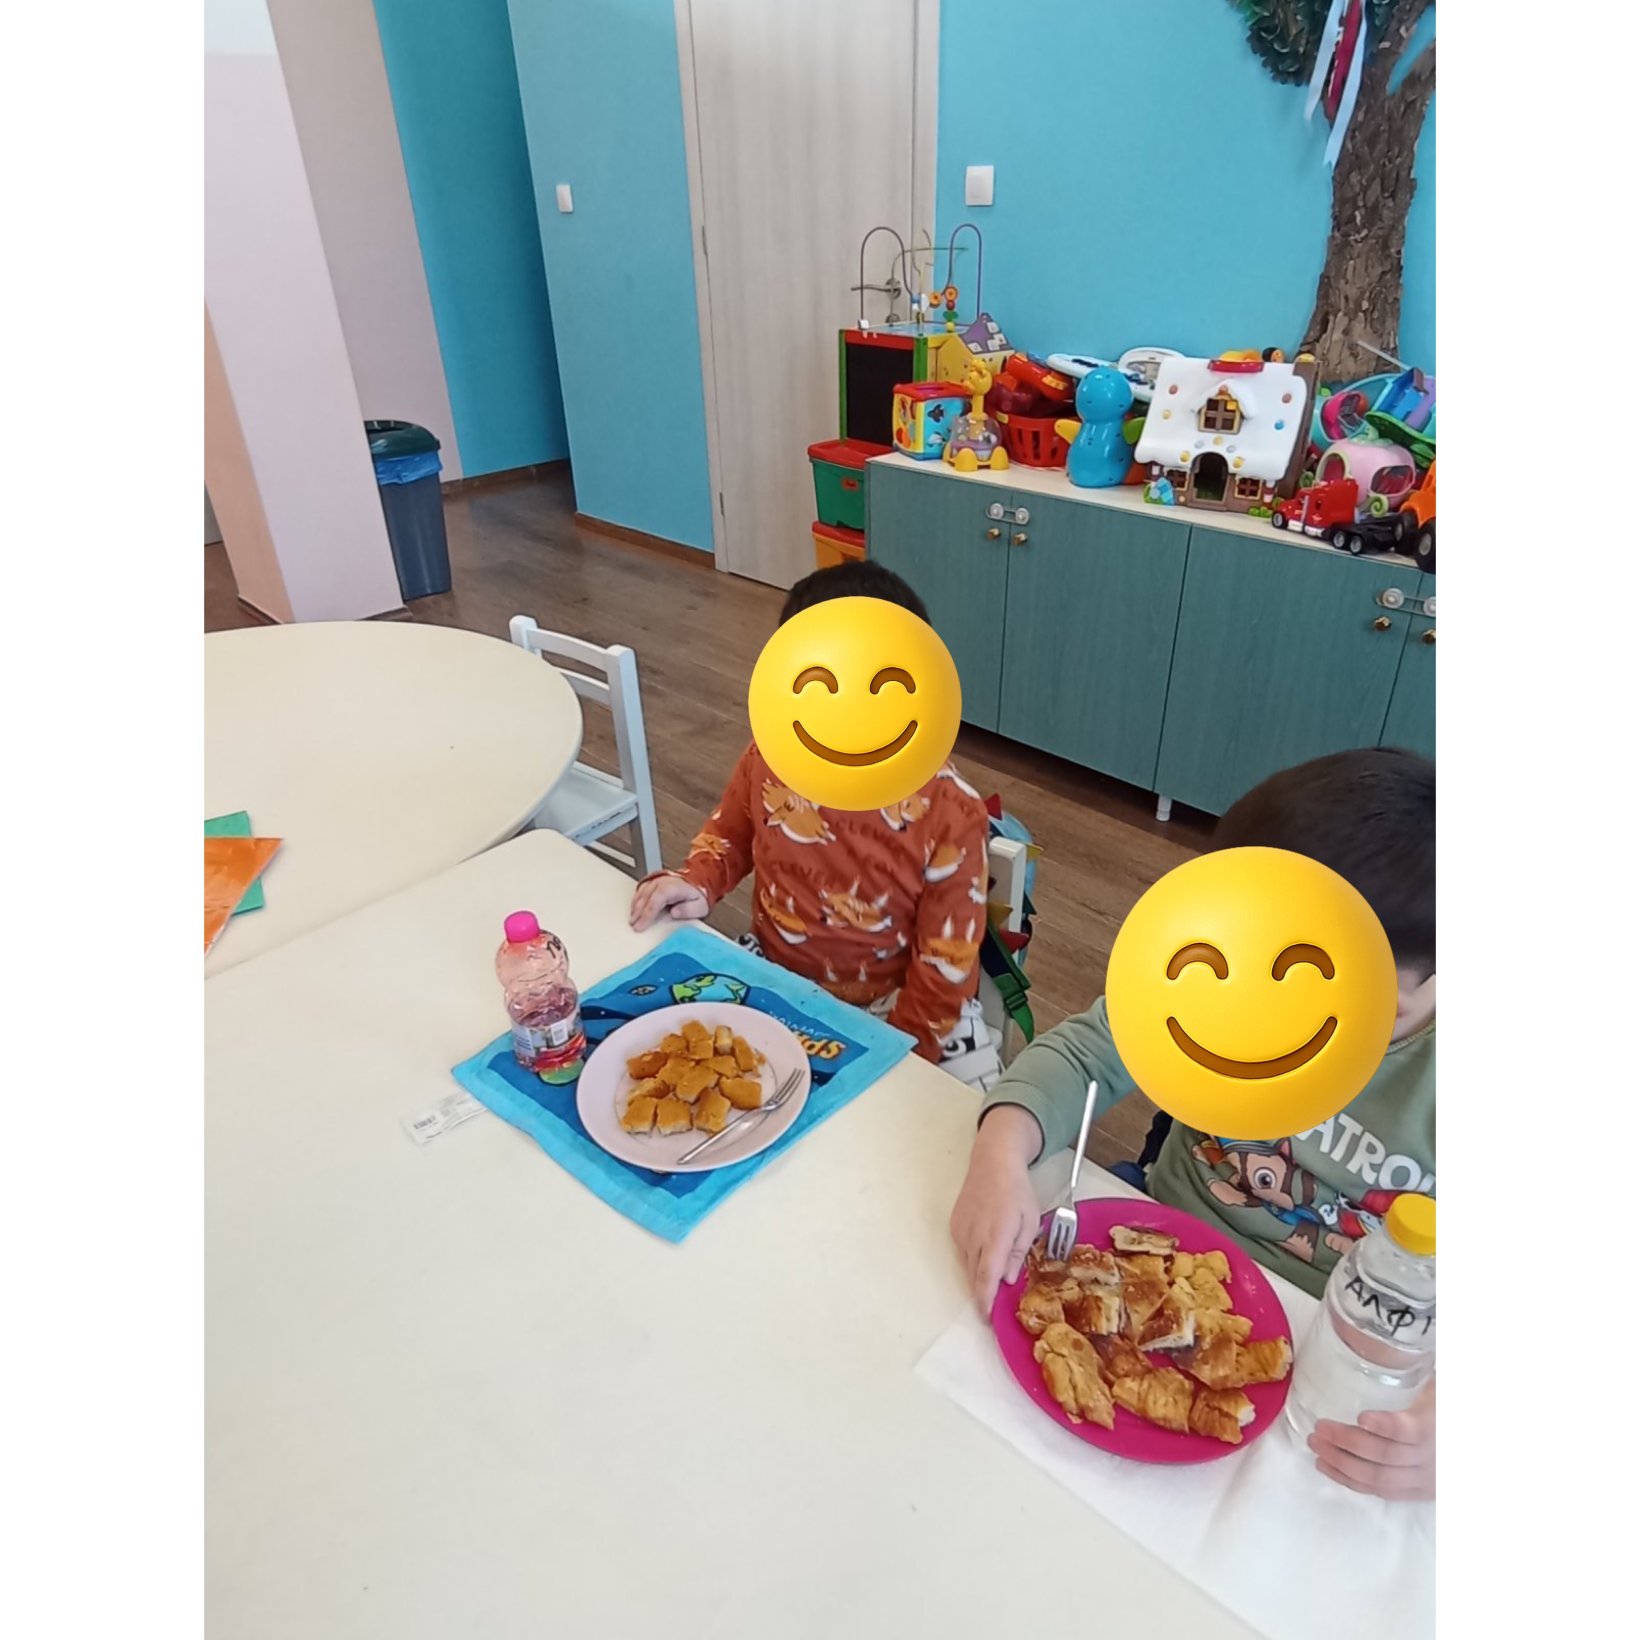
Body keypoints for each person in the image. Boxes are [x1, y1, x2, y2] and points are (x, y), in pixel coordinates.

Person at [949, 747, 1436, 1499]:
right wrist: (999, 1155)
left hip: (1341, 1371)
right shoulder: (1230, 979)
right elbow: (1084, 1052)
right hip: (1158, 1244)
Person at [629, 561, 997, 1077]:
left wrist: (900, 1059)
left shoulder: (950, 810)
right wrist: (697, 881)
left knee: (960, 1117)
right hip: (777, 979)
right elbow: (729, 834)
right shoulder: (768, 758)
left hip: (904, 1007)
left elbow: (945, 964)